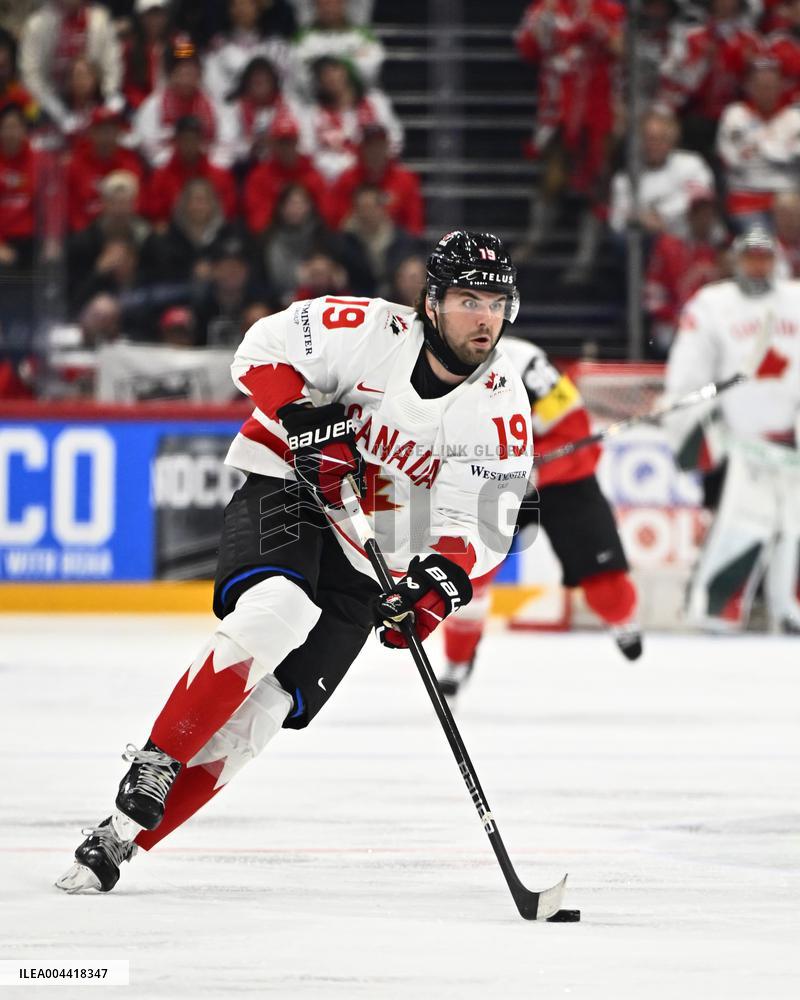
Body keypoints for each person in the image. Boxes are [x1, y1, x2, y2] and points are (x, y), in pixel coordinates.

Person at [55, 230, 534, 894]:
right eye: (467, 299)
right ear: (430, 302)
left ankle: (117, 838)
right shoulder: (368, 329)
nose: (484, 316)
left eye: (495, 301)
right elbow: (260, 349)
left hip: (373, 556)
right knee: (276, 611)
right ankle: (159, 760)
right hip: (291, 488)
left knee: (263, 716)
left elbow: (481, 526)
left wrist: (429, 592)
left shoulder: (502, 408)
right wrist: (304, 418)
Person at [437, 336, 642, 699]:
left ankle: (622, 618)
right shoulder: (431, 364)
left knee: (607, 587)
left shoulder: (528, 364)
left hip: (560, 481)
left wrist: (539, 467)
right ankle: (457, 660)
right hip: (491, 485)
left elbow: (577, 435)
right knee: (467, 579)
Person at [664, 227, 800, 632]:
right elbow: (688, 372)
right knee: (741, 527)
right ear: (736, 259)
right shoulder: (712, 305)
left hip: (791, 444)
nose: (757, 266)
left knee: (795, 530)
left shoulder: (795, 300)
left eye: (765, 257)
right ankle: (714, 610)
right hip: (739, 446)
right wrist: (689, 428)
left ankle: (788, 609)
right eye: (750, 257)